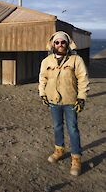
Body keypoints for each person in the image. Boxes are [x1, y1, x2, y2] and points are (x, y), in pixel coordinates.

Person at [38, 31, 89, 176]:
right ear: (53, 44)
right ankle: (59, 150)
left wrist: (81, 98)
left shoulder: (76, 60)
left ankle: (76, 158)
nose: (60, 45)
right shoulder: (46, 61)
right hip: (53, 101)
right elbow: (42, 78)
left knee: (72, 128)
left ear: (67, 44)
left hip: (70, 101)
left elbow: (83, 79)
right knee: (57, 126)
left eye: (63, 42)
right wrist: (42, 94)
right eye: (57, 42)